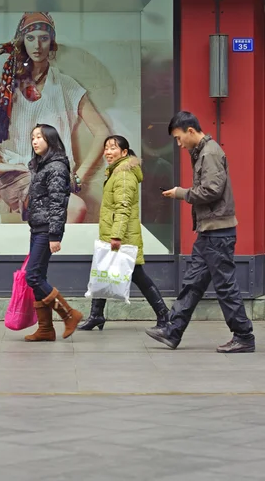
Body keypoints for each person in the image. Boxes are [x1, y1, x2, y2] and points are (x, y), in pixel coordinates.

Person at [0, 12, 110, 224]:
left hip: (52, 173)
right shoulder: (5, 69)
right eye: (30, 38)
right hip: (14, 169)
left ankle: (37, 258)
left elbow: (102, 132)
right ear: (22, 41)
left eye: (44, 38)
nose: (37, 45)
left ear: (52, 42)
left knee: (51, 230)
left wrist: (78, 176)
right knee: (75, 209)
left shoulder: (64, 85)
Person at [146, 111, 255, 353]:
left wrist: (181, 193)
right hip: (209, 231)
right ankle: (173, 331)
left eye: (178, 137)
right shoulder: (203, 152)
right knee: (192, 282)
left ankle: (244, 336)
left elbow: (212, 190)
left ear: (191, 131)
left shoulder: (210, 153)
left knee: (225, 285)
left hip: (218, 232)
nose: (178, 143)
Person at [79, 135, 169, 331]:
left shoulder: (124, 174)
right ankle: (96, 315)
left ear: (124, 152)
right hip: (114, 233)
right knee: (102, 272)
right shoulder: (115, 172)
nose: (108, 152)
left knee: (138, 276)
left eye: (113, 148)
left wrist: (116, 236)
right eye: (106, 148)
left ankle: (164, 315)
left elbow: (123, 206)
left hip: (121, 236)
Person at [23, 124, 83, 342]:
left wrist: (55, 236)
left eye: (39, 137)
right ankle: (46, 329)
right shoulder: (42, 166)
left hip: (46, 229)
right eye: (33, 138)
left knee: (32, 275)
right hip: (38, 227)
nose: (35, 141)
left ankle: (69, 314)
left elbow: (58, 203)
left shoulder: (56, 167)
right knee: (38, 276)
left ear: (50, 140)